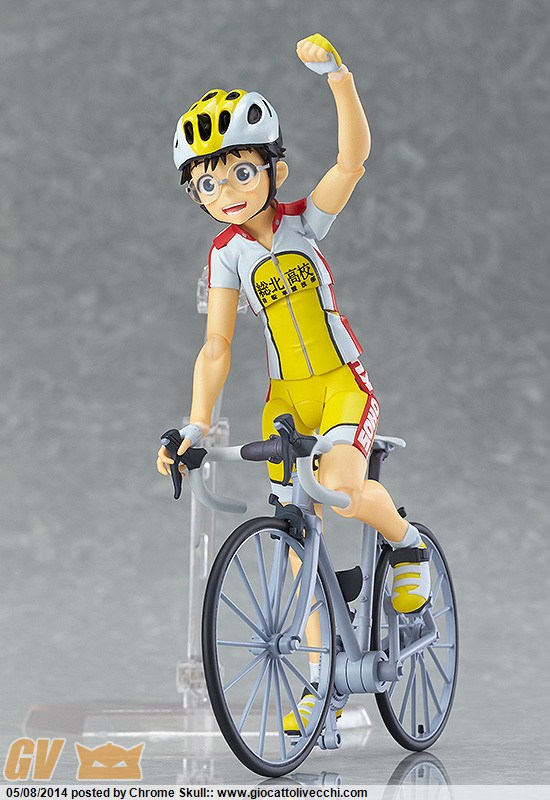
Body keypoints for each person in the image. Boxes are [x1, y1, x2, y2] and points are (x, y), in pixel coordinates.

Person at [157, 33, 430, 733]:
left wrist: (338, 76)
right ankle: (319, 683)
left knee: (342, 491)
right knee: (292, 549)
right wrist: (194, 425)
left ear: (274, 170)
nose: (226, 193)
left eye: (241, 173)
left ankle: (406, 542)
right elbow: (217, 345)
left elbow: (352, 161)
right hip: (286, 401)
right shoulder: (227, 255)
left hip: (341, 387)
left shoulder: (304, 222)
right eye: (208, 184)